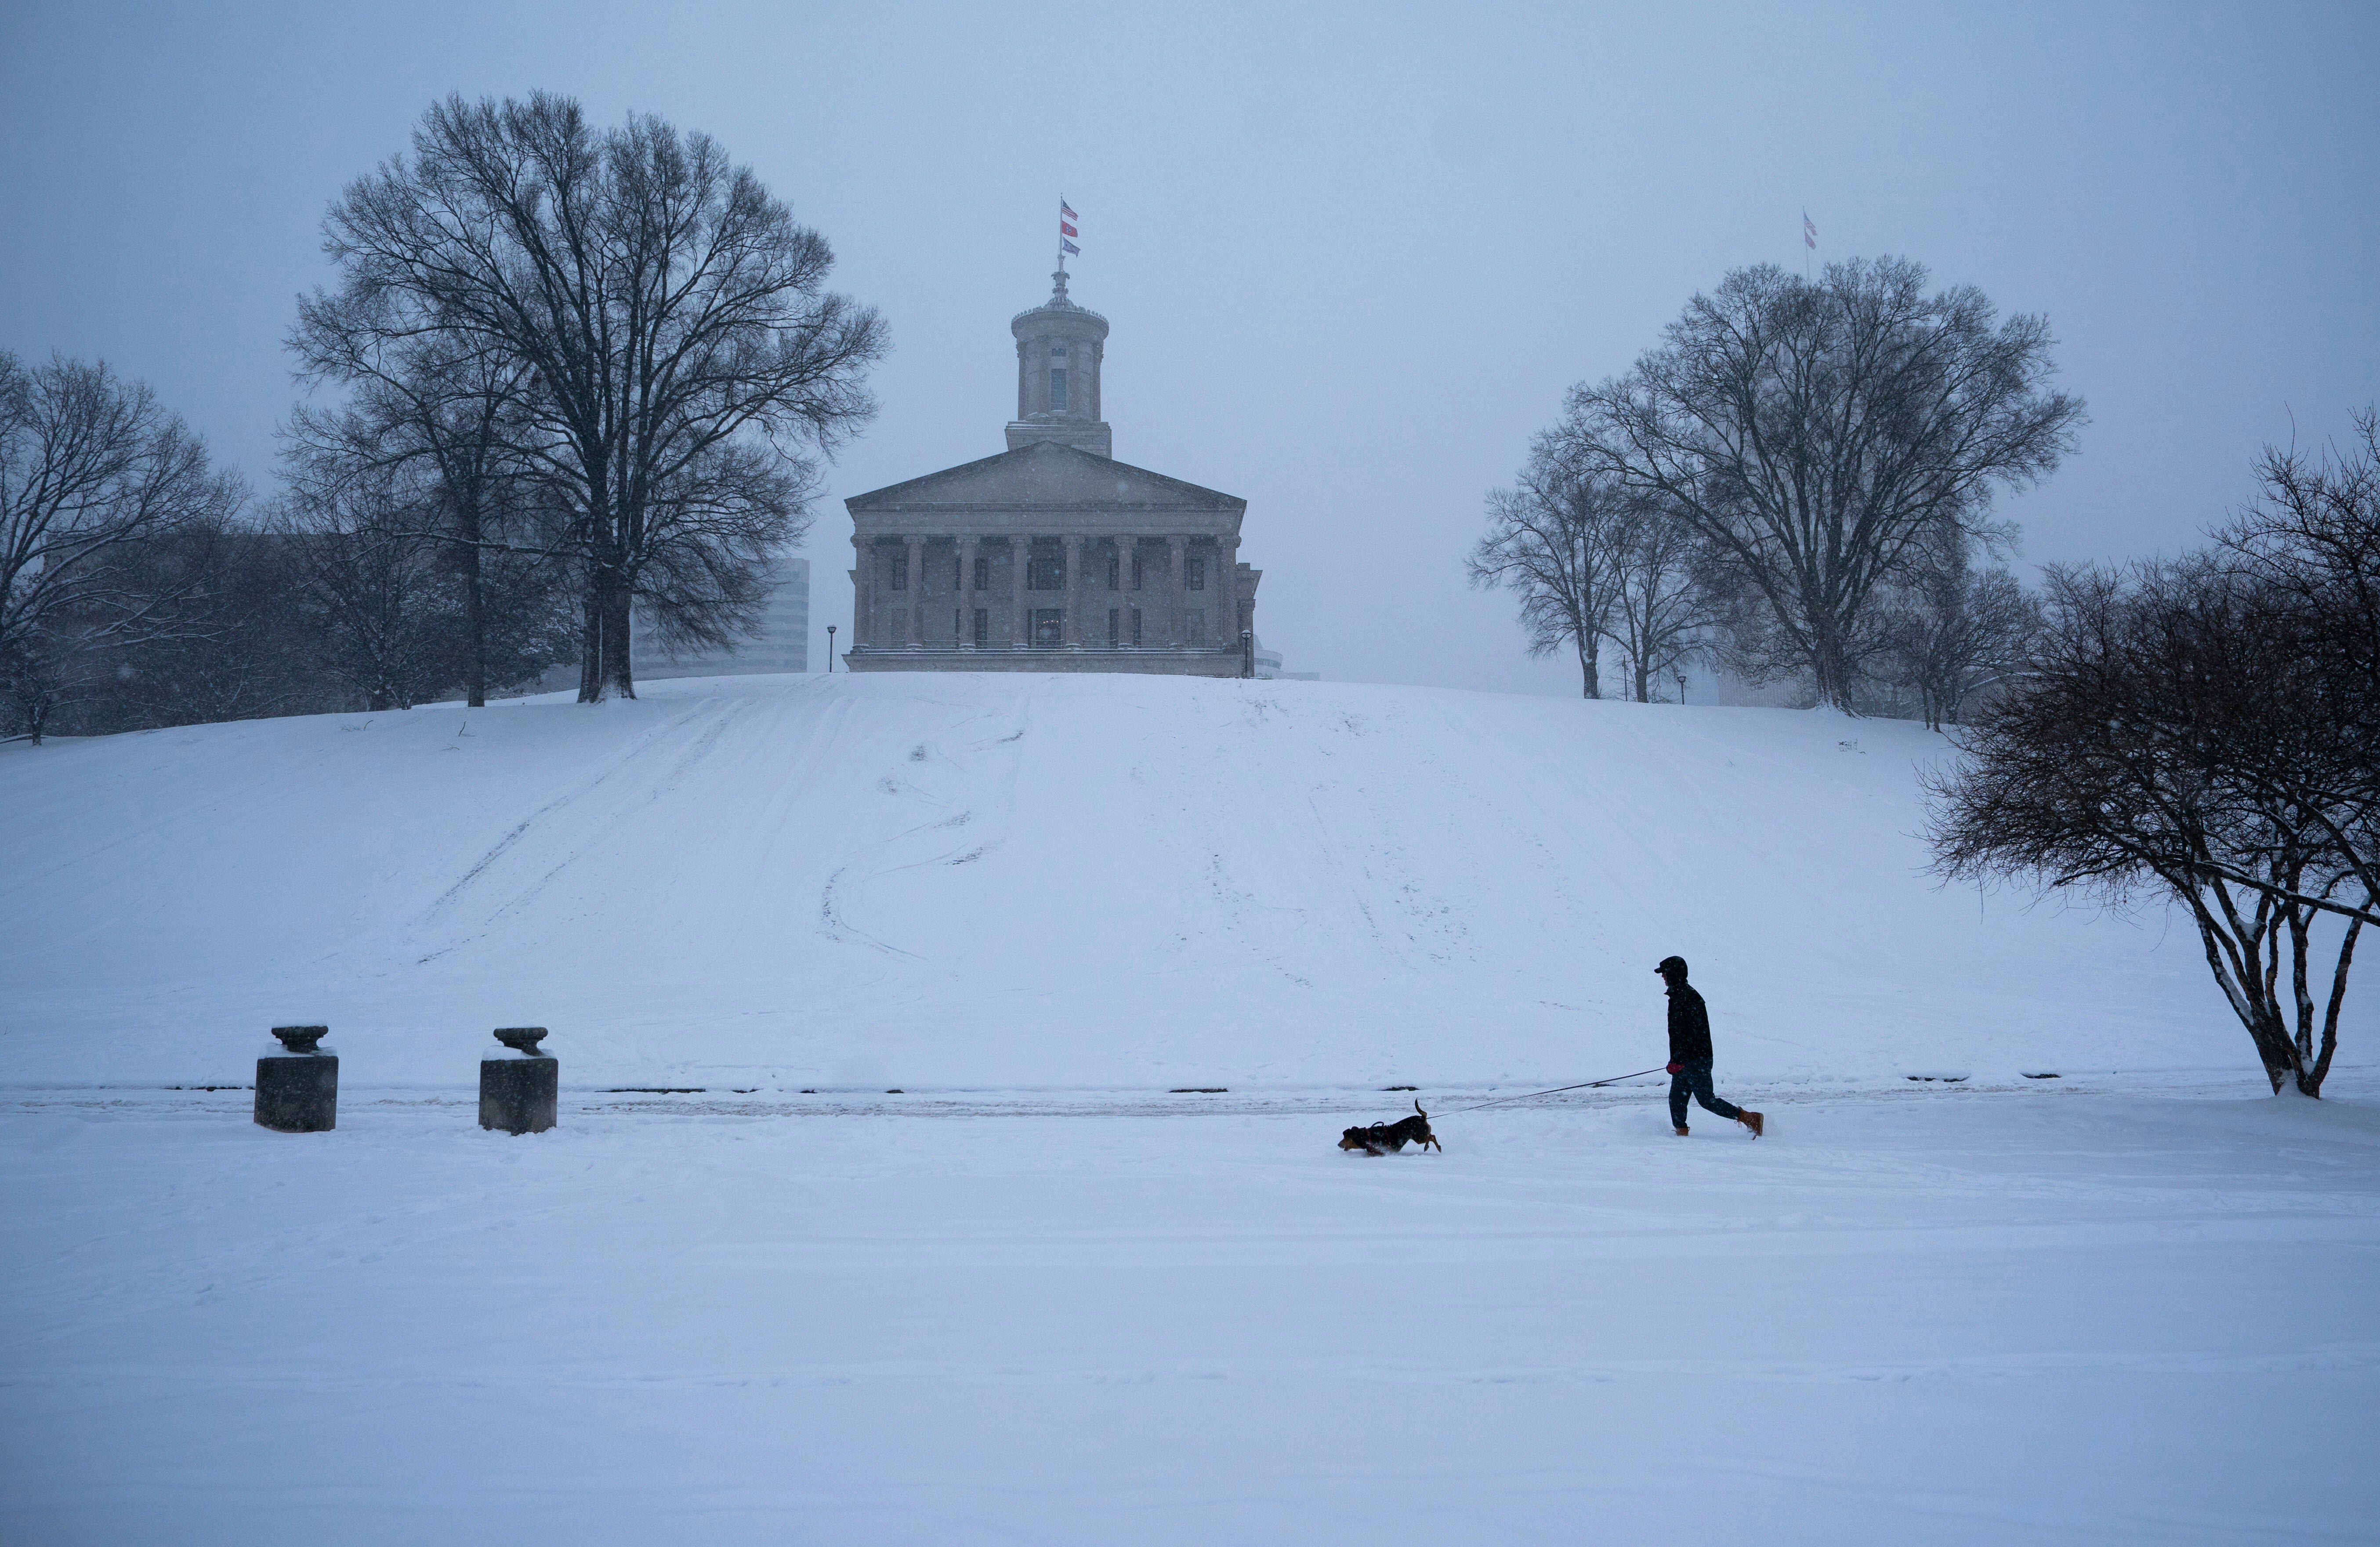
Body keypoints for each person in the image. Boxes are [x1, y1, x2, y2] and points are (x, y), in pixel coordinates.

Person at [1657, 955, 1763, 1138]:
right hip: (1685, 1059)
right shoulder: (1678, 996)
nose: (1662, 977)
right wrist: (1676, 1059)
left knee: (1707, 1101)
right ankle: (1681, 1135)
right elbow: (1678, 1035)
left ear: (1674, 974)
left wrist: (1680, 1059)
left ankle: (1750, 1118)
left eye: (1665, 973)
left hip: (1697, 1059)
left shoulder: (1688, 998)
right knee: (1676, 1100)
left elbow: (1692, 1034)